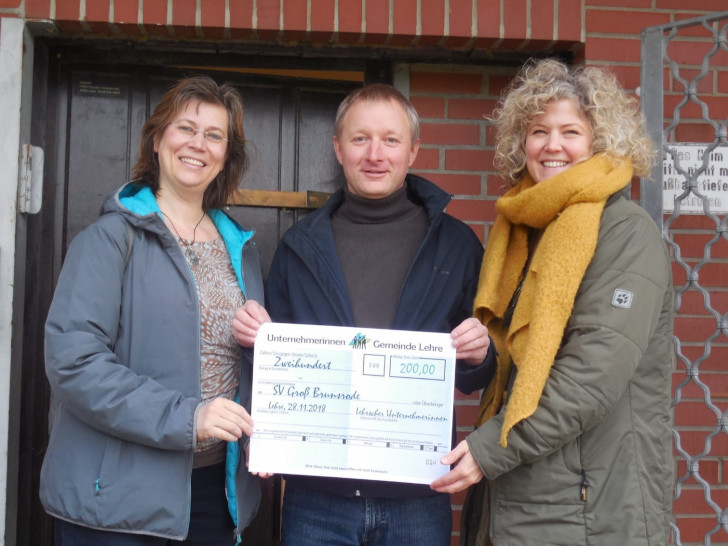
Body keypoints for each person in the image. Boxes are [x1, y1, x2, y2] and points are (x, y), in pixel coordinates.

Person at [233, 83, 496, 546]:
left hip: (417, 495)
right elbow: (269, 366)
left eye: (390, 140)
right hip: (317, 498)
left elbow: (481, 375)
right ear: (338, 148)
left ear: (413, 150)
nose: (375, 154)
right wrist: (260, 346)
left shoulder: (455, 245)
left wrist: (480, 353)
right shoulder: (301, 246)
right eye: (360, 139)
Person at [430, 58, 674, 546]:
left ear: (600, 141)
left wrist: (486, 451)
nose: (552, 145)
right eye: (539, 131)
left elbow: (590, 377)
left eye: (571, 131)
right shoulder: (524, 230)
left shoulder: (624, 233)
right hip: (523, 498)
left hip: (589, 509)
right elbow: (518, 366)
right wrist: (485, 352)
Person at [40, 75, 264, 545]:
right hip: (118, 502)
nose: (197, 144)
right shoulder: (108, 239)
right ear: (159, 138)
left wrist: (261, 343)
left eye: (214, 135)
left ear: (227, 154)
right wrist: (189, 417)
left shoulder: (240, 249)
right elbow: (74, 364)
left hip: (214, 497)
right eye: (185, 128)